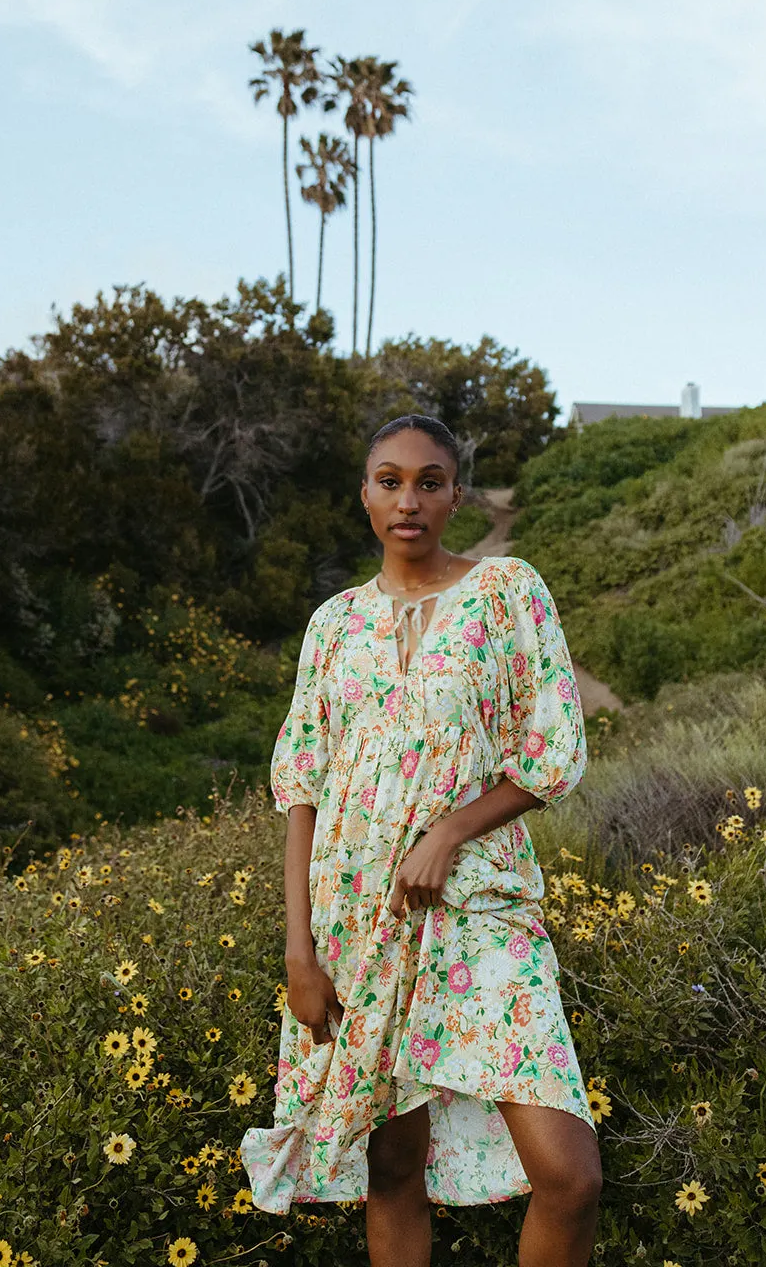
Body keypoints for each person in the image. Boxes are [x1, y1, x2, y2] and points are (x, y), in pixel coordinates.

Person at [240, 413, 602, 1266]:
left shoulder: (506, 592)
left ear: (454, 495)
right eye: (390, 480)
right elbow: (301, 787)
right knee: (391, 1161)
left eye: (429, 481)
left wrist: (449, 831)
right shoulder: (333, 625)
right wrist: (299, 951)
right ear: (364, 495)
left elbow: (550, 752)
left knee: (570, 1175)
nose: (409, 499)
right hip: (352, 917)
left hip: (478, 905)